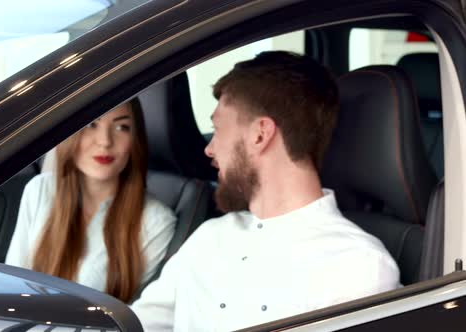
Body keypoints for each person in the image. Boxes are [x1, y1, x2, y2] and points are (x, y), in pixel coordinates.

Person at [131, 51, 400, 331]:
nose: (209, 149)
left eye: (218, 129)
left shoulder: (356, 265)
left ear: (260, 134)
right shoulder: (210, 236)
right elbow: (138, 324)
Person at [5, 98, 176, 303]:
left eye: (122, 127)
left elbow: (138, 314)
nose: (105, 141)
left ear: (135, 139)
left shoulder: (156, 221)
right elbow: (10, 283)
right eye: (91, 124)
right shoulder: (40, 189)